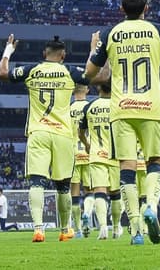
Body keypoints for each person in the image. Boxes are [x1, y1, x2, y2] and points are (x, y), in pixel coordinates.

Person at [85, 0, 160, 246]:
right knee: (155, 161)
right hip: (151, 108)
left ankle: (136, 230)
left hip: (122, 109)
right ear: (146, 8)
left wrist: (94, 49)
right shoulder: (157, 30)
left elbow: (92, 75)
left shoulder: (109, 33)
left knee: (126, 168)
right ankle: (150, 205)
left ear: (121, 9)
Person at [0, 33, 87, 243]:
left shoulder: (32, 70)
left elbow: (2, 73)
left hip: (38, 132)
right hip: (64, 135)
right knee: (63, 186)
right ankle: (65, 229)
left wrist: (8, 50)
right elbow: (100, 76)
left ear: (44, 53)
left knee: (37, 182)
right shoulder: (69, 71)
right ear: (63, 55)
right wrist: (96, 50)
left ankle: (38, 229)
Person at [80, 79, 120, 240]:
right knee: (116, 194)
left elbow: (80, 133)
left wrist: (88, 145)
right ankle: (116, 229)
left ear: (99, 87)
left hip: (96, 155)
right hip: (115, 156)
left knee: (99, 193)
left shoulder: (89, 107)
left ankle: (103, 227)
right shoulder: (118, 106)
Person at [70, 83, 93, 237]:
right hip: (90, 154)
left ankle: (77, 229)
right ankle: (88, 214)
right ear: (87, 90)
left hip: (72, 155)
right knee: (91, 191)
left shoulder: (67, 109)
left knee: (74, 195)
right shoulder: (92, 107)